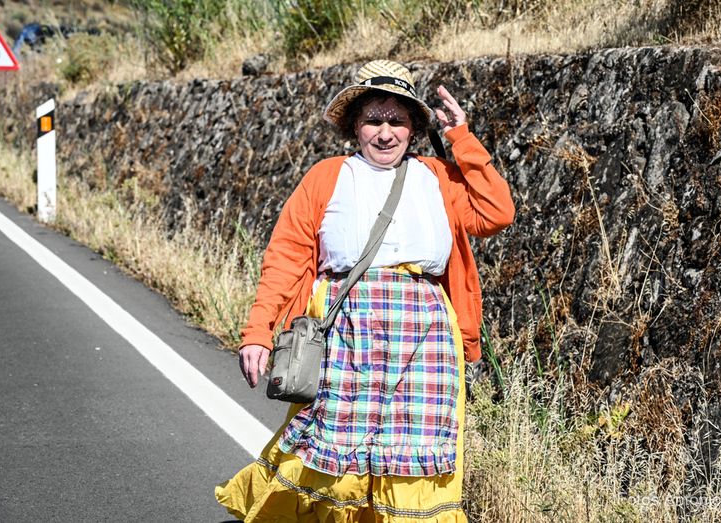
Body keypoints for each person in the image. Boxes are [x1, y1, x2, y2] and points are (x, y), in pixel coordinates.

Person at [216, 59, 514, 522]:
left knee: (413, 454)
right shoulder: (327, 176)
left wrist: (461, 137)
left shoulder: (437, 176)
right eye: (374, 119)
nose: (385, 132)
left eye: (397, 120)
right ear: (355, 125)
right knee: (335, 451)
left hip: (425, 339)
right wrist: (258, 332)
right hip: (347, 333)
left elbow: (497, 212)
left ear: (414, 128)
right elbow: (286, 257)